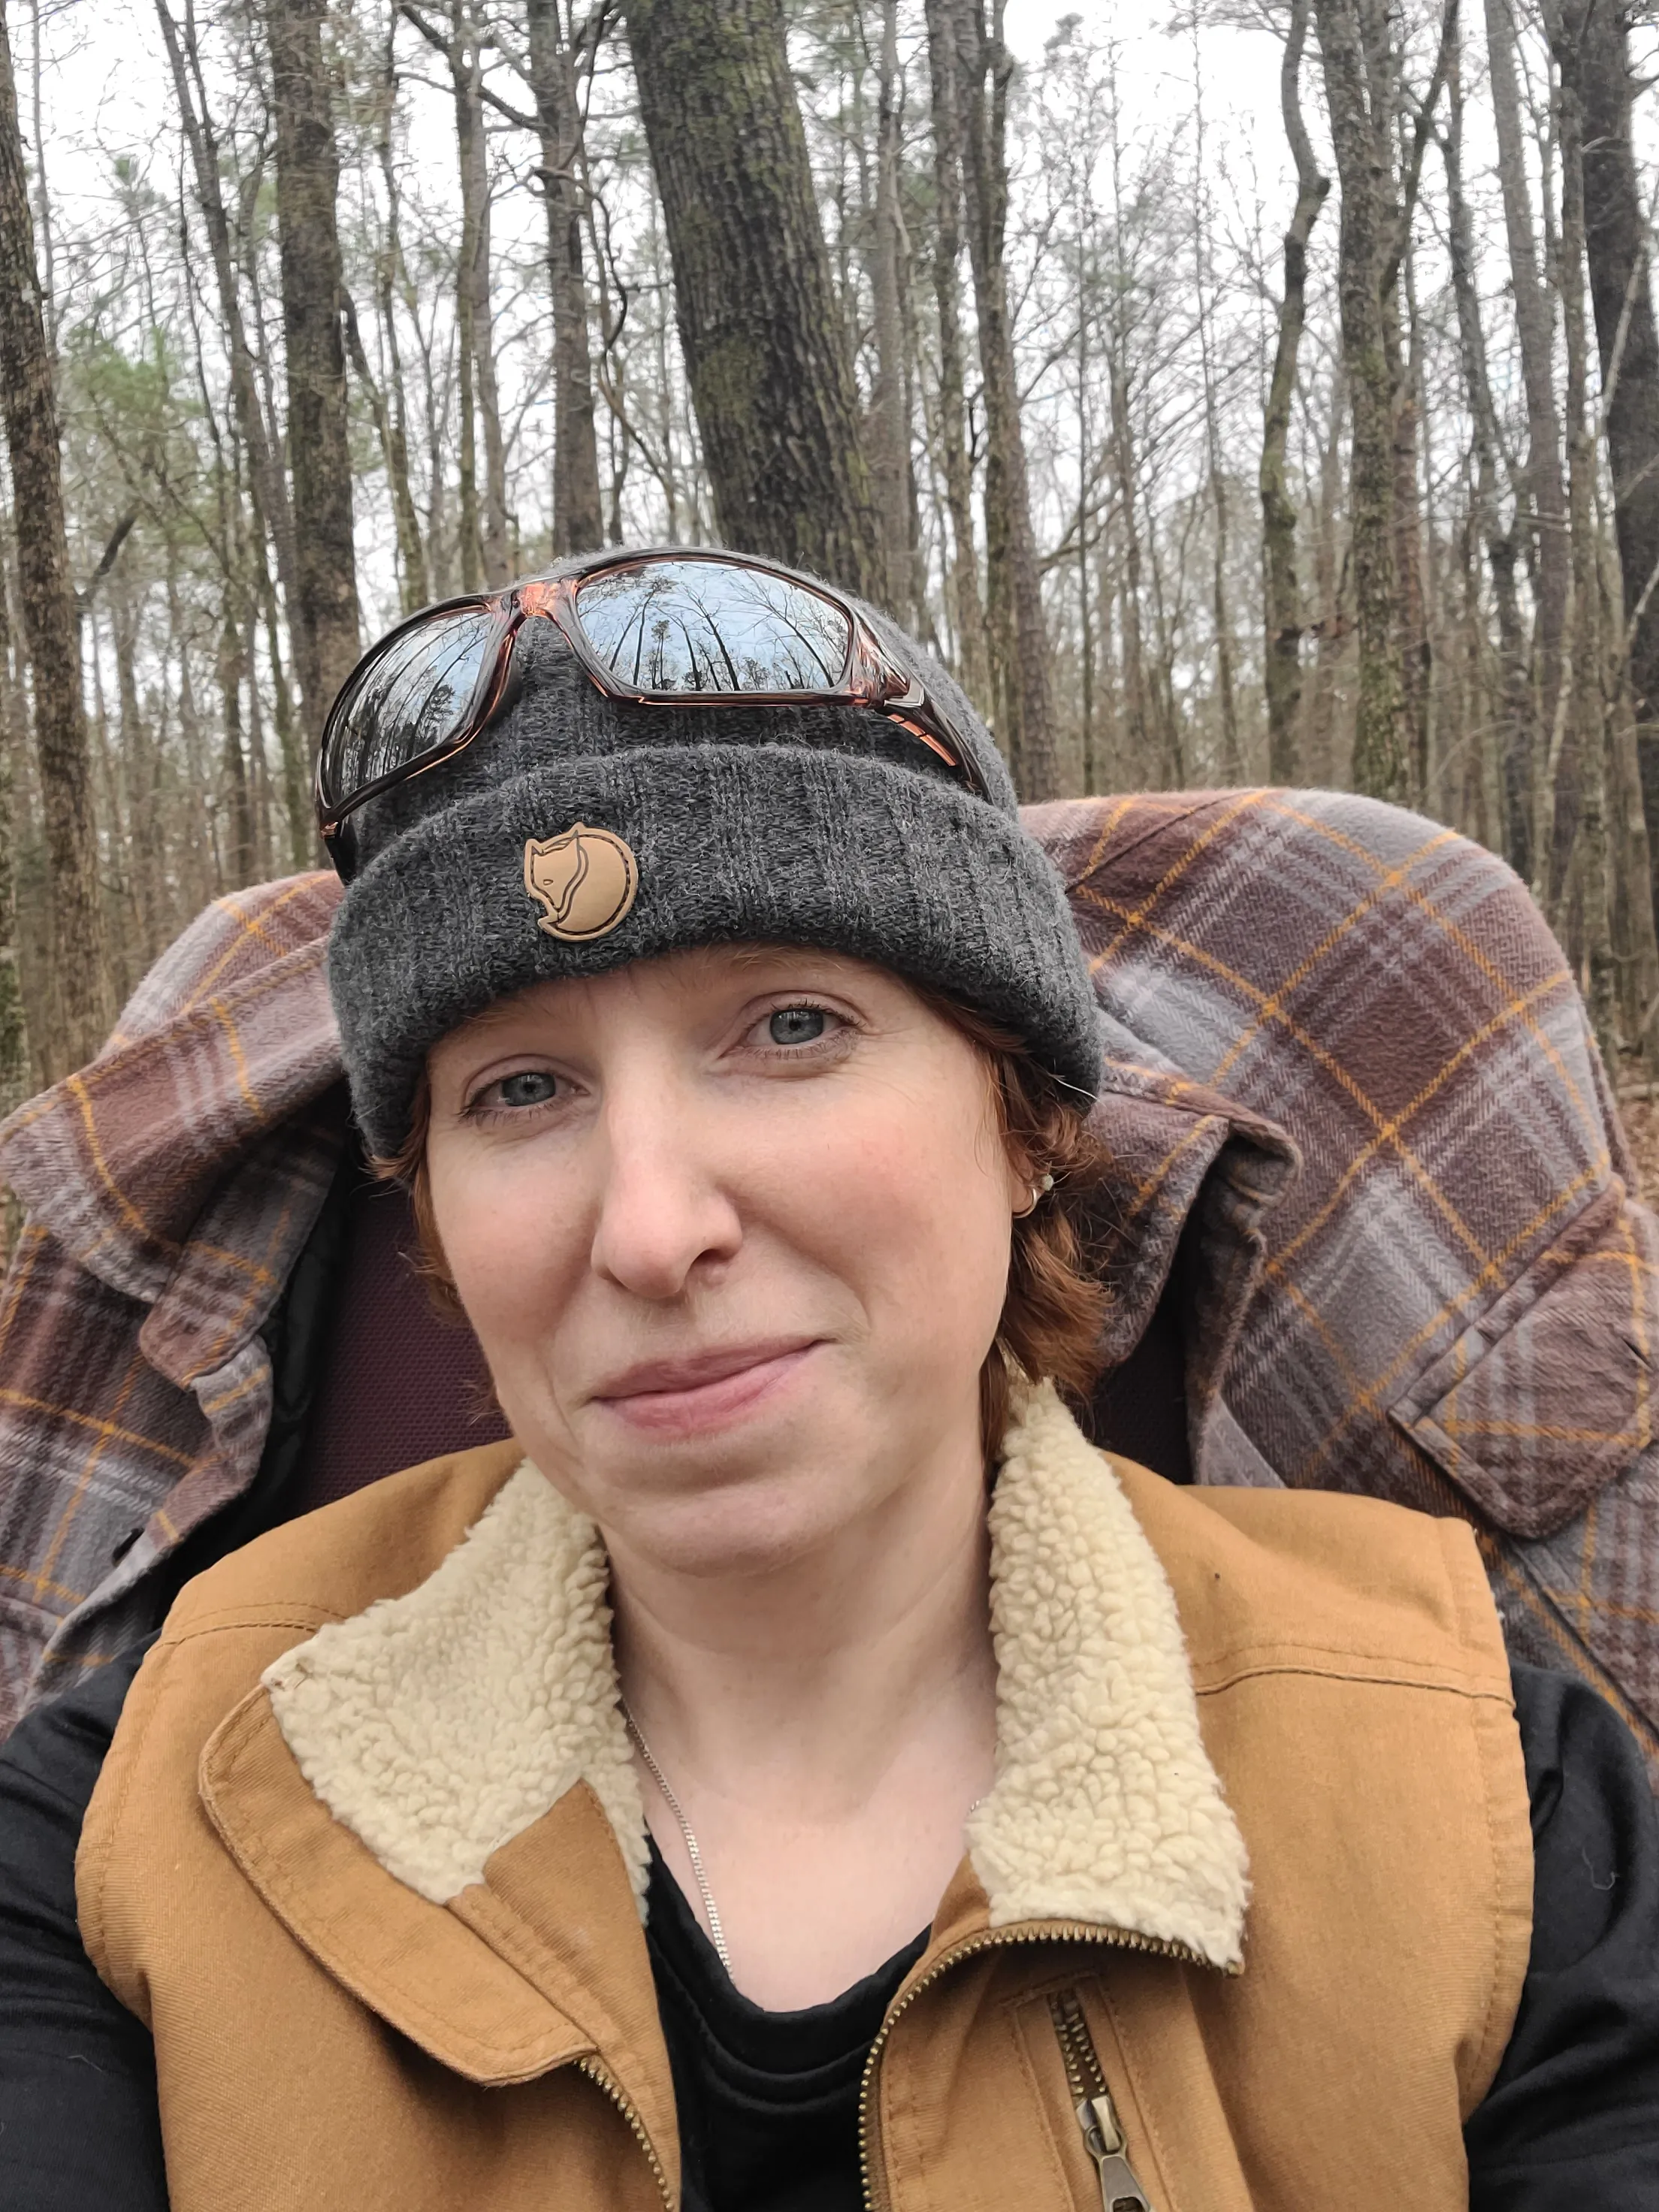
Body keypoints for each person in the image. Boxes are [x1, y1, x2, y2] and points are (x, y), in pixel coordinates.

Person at [0, 546, 1656, 2211]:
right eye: (518, 1091)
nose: (651, 1228)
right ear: (431, 1209)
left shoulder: (1484, 1798)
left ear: (1026, 1128)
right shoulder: (136, 1813)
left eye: (790, 1028)